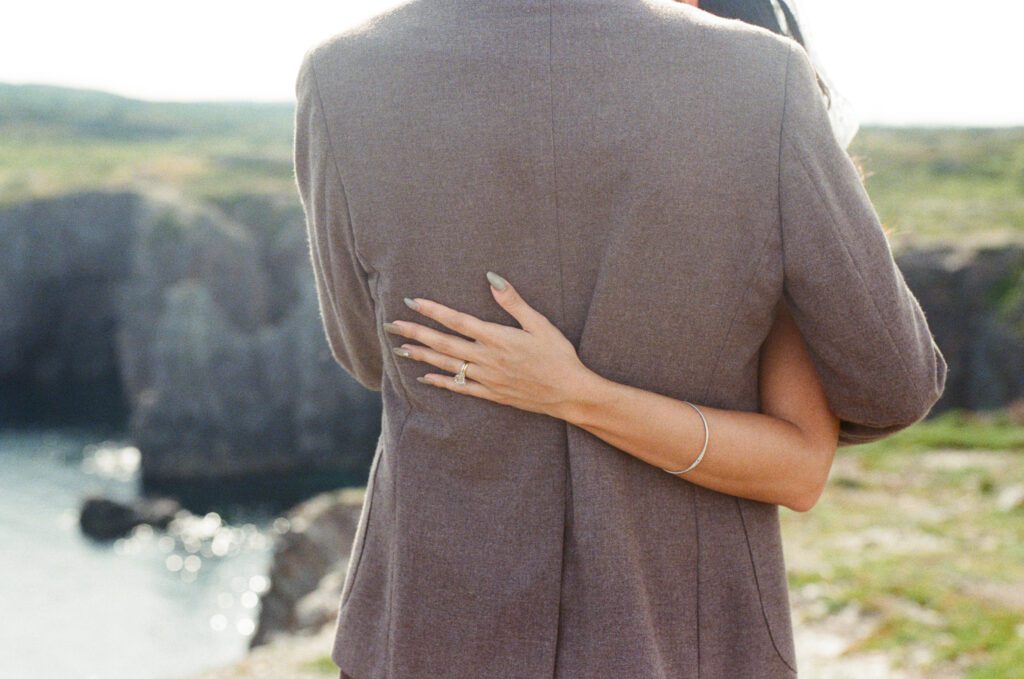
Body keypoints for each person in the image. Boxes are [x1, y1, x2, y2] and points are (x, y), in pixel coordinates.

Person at [292, 0, 947, 677]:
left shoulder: (340, 73)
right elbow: (894, 384)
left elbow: (367, 353)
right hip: (679, 631)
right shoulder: (763, 73)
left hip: (428, 624)